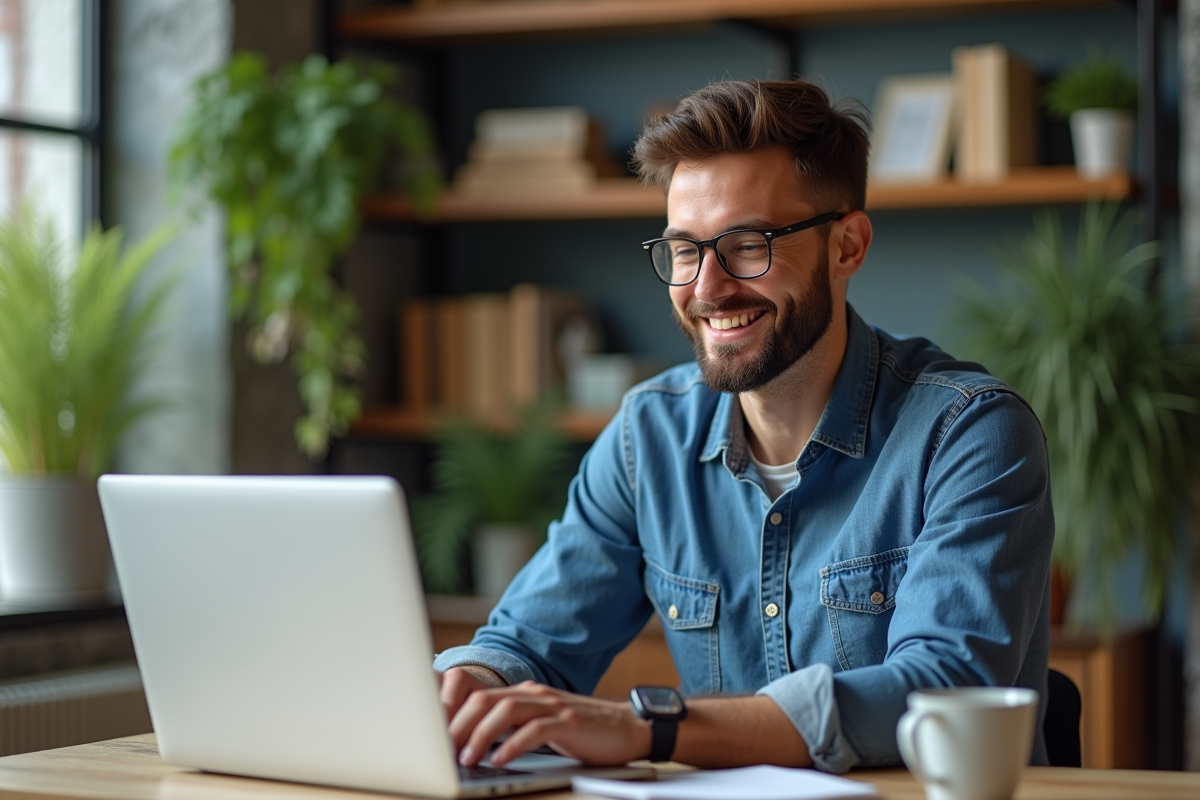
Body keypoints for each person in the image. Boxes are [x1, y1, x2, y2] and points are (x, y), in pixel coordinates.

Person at [433, 78, 1053, 774]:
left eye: (747, 244)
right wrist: (473, 685)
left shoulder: (968, 434)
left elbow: (945, 689)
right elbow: (529, 642)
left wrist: (650, 729)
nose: (705, 289)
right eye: (685, 249)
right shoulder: (649, 437)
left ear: (847, 246)